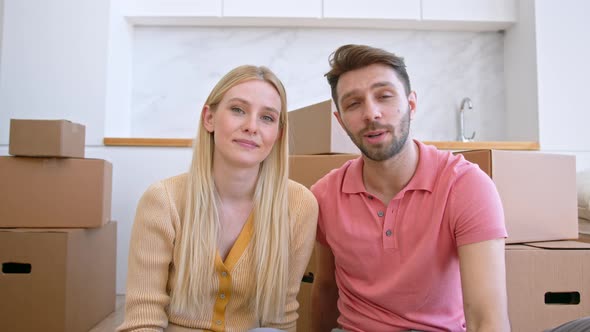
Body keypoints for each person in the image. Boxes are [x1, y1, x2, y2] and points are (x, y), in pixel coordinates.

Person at [310, 44, 510, 332]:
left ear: (411, 104)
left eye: (384, 96)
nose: (372, 113)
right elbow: (326, 290)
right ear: (340, 121)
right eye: (354, 104)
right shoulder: (325, 195)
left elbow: (486, 318)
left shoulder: (466, 186)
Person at [117, 65, 318, 332]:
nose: (251, 127)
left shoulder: (299, 204)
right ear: (209, 118)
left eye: (267, 118)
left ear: (278, 134)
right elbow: (143, 318)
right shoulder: (162, 201)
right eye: (238, 110)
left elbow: (280, 316)